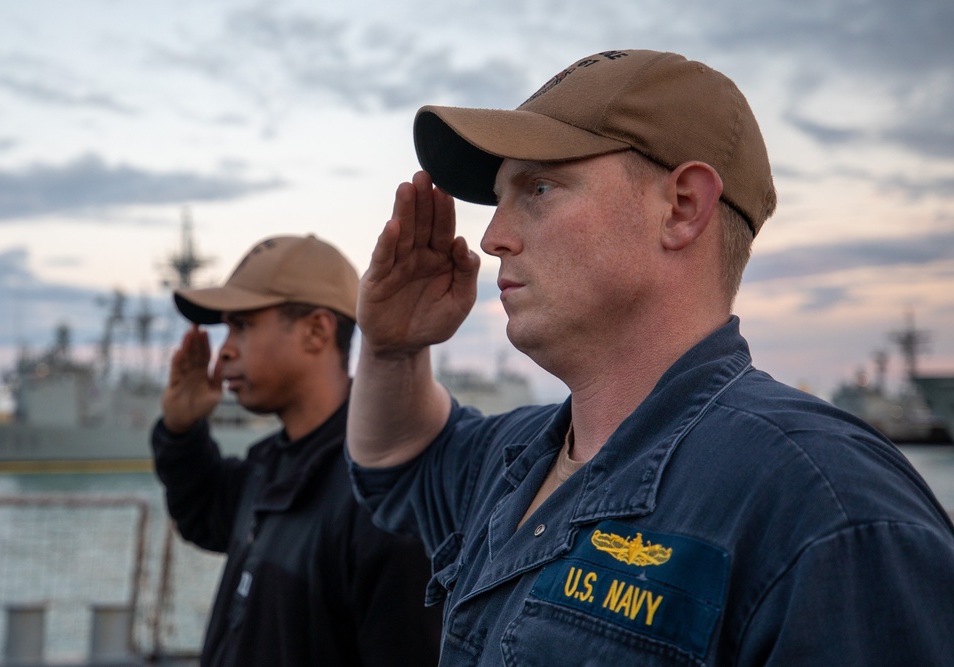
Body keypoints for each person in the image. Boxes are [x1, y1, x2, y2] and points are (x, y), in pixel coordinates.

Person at [345, 49, 954, 665]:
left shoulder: (827, 508)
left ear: (682, 207)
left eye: (540, 186)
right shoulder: (515, 461)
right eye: (501, 196)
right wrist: (392, 349)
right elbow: (397, 459)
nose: (492, 236)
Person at [151, 234, 441, 666]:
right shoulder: (272, 463)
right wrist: (181, 427)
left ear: (317, 331)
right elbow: (204, 512)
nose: (224, 350)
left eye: (242, 326)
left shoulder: (382, 501)